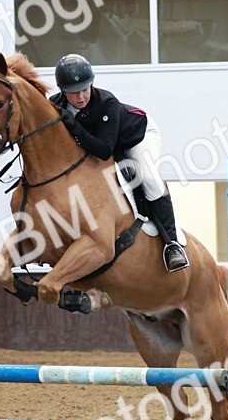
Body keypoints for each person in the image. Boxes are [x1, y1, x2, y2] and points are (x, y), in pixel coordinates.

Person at [49, 54, 189, 272]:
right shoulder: (55, 106)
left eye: (85, 89)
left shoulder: (106, 103)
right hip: (109, 144)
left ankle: (172, 244)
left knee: (149, 176)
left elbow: (104, 151)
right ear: (62, 91)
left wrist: (74, 128)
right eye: (73, 92)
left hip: (137, 137)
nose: (80, 97)